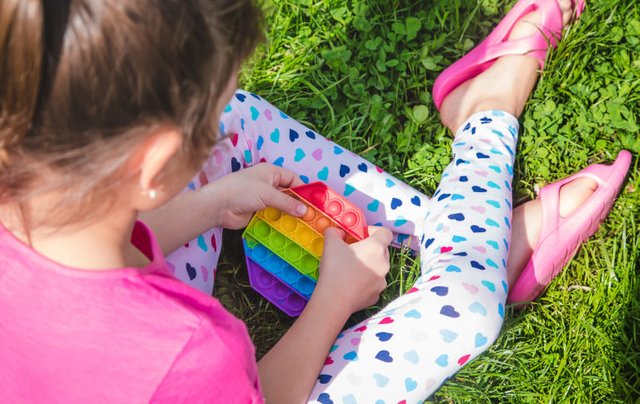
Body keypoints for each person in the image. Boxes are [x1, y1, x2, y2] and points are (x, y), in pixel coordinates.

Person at [0, 0, 630, 403]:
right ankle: (488, 121)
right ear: (156, 164)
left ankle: (481, 231)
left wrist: (210, 203)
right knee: (466, 314)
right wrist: (335, 298)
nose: (225, 102)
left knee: (233, 121)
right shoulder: (188, 348)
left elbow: (82, 256)